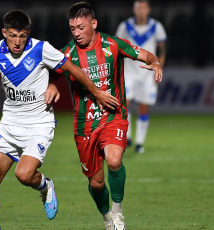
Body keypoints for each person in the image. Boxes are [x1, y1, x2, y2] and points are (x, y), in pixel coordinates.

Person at [0, 10, 116, 223]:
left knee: (24, 175)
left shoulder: (40, 48)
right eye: (12, 35)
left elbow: (72, 69)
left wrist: (96, 92)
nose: (17, 42)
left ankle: (45, 186)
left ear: (28, 34)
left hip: (38, 125)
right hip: (9, 124)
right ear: (4, 32)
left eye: (22, 36)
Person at [52, 2, 162, 230]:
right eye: (73, 29)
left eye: (81, 28)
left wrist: (156, 62)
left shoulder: (113, 44)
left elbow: (144, 54)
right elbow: (50, 74)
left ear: (94, 24)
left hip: (114, 116)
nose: (76, 33)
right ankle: (106, 218)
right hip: (84, 125)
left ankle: (118, 212)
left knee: (114, 160)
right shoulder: (68, 53)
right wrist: (51, 85)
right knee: (97, 183)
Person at [116, 0, 167, 153]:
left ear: (148, 9)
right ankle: (127, 137)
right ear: (134, 9)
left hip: (147, 74)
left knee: (143, 108)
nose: (141, 10)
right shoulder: (125, 26)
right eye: (138, 7)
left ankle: (139, 143)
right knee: (124, 105)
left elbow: (162, 49)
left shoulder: (156, 26)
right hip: (128, 72)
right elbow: (116, 47)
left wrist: (159, 68)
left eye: (143, 7)